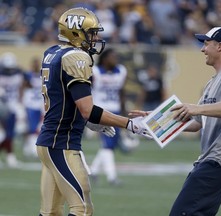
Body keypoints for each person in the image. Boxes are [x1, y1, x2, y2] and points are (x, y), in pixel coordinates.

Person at [36, 7, 151, 216]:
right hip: (62, 143)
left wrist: (86, 120)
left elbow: (63, 98)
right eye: (92, 33)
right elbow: (87, 109)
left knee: (50, 212)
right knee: (82, 209)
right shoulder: (76, 57)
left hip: (49, 142)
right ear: (76, 32)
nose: (96, 37)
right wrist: (129, 124)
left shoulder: (52, 52)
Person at [130, 27, 221, 216]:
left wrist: (197, 108)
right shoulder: (213, 81)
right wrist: (155, 120)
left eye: (206, 44)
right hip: (210, 160)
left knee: (181, 212)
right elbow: (196, 123)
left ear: (220, 46)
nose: (202, 49)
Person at [89, 48, 128, 186]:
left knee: (110, 145)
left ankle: (93, 170)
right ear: (105, 58)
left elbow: (121, 92)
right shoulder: (95, 71)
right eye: (113, 56)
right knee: (107, 144)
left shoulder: (121, 71)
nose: (115, 59)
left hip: (115, 110)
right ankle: (112, 177)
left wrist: (124, 111)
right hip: (100, 111)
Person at [0, 52, 24, 168]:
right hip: (2, 106)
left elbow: (22, 87)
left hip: (13, 106)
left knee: (10, 133)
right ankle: (10, 156)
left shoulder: (19, 74)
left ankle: (10, 156)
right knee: (4, 134)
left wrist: (20, 101)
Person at [22, 57, 44, 158]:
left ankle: (29, 146)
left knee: (36, 126)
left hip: (39, 103)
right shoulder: (28, 75)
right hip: (30, 103)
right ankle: (29, 147)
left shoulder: (42, 75)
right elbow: (23, 86)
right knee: (30, 126)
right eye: (34, 63)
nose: (35, 65)